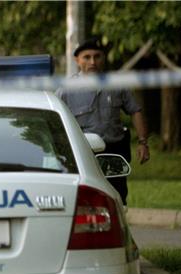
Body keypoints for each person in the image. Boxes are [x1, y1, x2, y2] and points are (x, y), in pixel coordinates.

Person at [56, 37, 150, 205]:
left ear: (103, 59)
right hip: (84, 154)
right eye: (87, 57)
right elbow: (55, 120)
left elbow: (135, 111)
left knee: (118, 198)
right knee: (86, 198)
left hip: (114, 151)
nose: (92, 61)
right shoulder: (66, 90)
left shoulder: (116, 85)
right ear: (77, 60)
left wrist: (143, 142)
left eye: (97, 56)